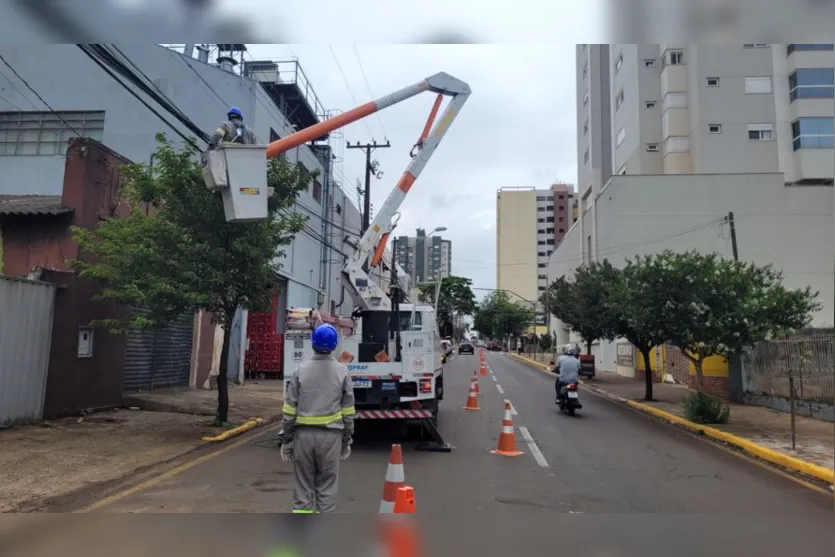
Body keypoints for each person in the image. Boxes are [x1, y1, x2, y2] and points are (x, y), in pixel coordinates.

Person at [279, 324, 355, 513]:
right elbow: (348, 412)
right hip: (331, 438)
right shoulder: (343, 372)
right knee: (327, 489)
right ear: (334, 345)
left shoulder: (300, 370)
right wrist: (346, 440)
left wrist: (286, 440)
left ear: (312, 343)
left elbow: (289, 410)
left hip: (303, 437)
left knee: (303, 489)